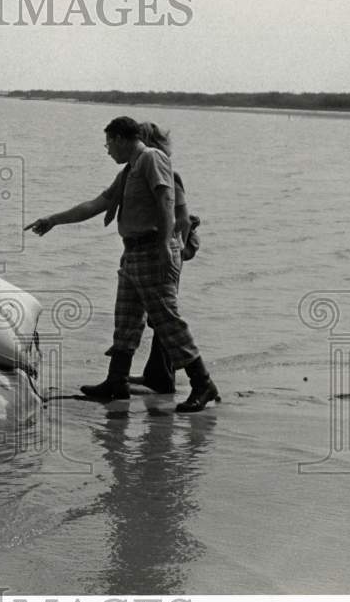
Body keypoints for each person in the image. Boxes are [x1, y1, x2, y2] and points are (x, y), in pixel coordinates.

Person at [24, 116, 219, 413]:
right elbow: (96, 204)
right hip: (133, 253)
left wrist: (166, 244)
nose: (107, 151)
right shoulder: (130, 170)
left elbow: (167, 202)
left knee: (167, 321)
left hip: (153, 250)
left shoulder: (152, 159)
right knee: (126, 320)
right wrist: (53, 220)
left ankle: (202, 384)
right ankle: (116, 381)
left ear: (120, 138)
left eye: (108, 143)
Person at [102, 122, 199, 394]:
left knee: (163, 318)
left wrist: (168, 250)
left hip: (161, 250)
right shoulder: (132, 171)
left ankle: (172, 378)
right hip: (142, 251)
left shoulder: (161, 168)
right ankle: (146, 377)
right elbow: (103, 201)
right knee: (139, 317)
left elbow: (180, 216)